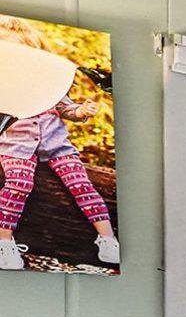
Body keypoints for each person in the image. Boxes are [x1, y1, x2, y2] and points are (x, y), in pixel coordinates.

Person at [0, 91, 118, 271]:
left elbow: (67, 109)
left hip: (56, 146)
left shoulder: (51, 84)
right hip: (17, 147)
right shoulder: (10, 87)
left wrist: (82, 110)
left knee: (81, 184)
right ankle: (4, 242)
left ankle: (108, 239)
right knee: (19, 184)